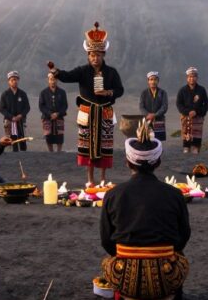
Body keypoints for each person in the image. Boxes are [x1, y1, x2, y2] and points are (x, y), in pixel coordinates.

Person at [100, 122, 190, 300]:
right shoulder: (174, 194)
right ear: (157, 162)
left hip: (124, 274)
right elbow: (183, 237)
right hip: (166, 275)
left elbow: (107, 242)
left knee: (107, 262)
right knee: (181, 258)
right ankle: (163, 298)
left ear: (127, 161)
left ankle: (132, 297)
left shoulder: (113, 194)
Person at [52, 23, 125, 185]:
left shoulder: (112, 72)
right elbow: (67, 76)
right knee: (88, 147)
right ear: (88, 55)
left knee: (105, 146)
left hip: (104, 111)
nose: (95, 58)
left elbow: (120, 90)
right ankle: (90, 179)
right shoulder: (82, 71)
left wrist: (108, 92)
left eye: (98, 55)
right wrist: (56, 73)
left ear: (103, 55)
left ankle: (104, 179)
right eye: (92, 55)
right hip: (88, 112)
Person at [176, 67, 208, 155]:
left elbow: (206, 104)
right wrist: (187, 112)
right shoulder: (182, 90)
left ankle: (196, 148)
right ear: (187, 78)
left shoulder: (202, 90)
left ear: (197, 78)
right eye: (190, 76)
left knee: (196, 139)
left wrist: (197, 112)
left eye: (194, 76)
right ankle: (186, 148)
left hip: (198, 117)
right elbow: (179, 104)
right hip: (185, 117)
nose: (192, 78)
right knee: (186, 136)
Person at [0, 71, 30, 152]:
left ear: (18, 80)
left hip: (21, 120)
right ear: (8, 81)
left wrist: (21, 115)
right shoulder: (5, 94)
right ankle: (13, 154)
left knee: (22, 137)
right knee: (12, 139)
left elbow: (27, 107)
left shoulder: (23, 94)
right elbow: (1, 108)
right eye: (12, 80)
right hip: (9, 121)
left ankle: (24, 153)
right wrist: (11, 117)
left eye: (16, 79)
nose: (14, 81)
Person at [39, 72, 68, 152]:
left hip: (59, 116)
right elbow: (41, 106)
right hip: (47, 117)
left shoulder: (62, 92)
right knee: (48, 136)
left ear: (57, 80)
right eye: (51, 79)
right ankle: (50, 152)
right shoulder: (43, 92)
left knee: (60, 135)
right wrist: (50, 114)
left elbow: (65, 105)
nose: (53, 81)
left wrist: (58, 113)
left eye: (55, 79)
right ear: (48, 80)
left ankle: (59, 152)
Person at [139, 72, 169, 142]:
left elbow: (164, 107)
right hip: (147, 120)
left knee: (158, 141)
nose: (153, 81)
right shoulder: (144, 93)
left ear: (158, 81)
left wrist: (155, 115)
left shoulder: (163, 93)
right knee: (146, 139)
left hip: (159, 120)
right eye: (151, 79)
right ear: (148, 81)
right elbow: (141, 107)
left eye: (155, 79)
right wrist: (148, 115)